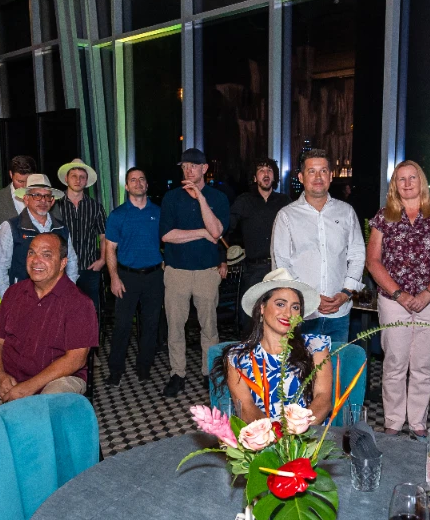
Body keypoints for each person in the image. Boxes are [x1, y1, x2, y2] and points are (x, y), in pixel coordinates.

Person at [0, 233, 97, 417]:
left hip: (58, 379)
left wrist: (29, 387)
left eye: (46, 254)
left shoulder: (79, 303)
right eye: (31, 253)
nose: (36, 260)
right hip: (10, 375)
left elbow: (75, 359)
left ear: (63, 263)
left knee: (44, 406)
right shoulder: (14, 293)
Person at [367, 160, 430, 438]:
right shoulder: (384, 216)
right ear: (395, 184)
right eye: (401, 179)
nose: (407, 183)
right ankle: (393, 421)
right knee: (394, 362)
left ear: (422, 181)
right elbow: (373, 261)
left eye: (412, 178)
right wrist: (399, 294)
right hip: (393, 300)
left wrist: (428, 294)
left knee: (423, 364)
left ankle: (418, 422)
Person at [211, 268, 332, 424]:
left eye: (295, 307)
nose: (288, 314)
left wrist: (299, 429)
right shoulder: (238, 358)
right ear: (262, 307)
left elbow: (323, 399)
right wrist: (273, 433)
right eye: (280, 304)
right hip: (261, 434)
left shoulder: (315, 347)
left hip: (309, 433)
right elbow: (246, 408)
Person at [272, 149, 365, 344]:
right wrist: (310, 298)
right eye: (311, 171)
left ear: (330, 176)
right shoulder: (286, 216)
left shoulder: (346, 212)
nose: (318, 177)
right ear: (301, 177)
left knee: (335, 363)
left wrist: (346, 293)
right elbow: (281, 265)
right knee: (299, 363)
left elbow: (357, 255)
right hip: (301, 313)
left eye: (323, 171)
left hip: (339, 312)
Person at [159, 148, 230, 397]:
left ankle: (208, 373)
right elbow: (167, 235)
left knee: (209, 328)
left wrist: (200, 197)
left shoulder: (218, 198)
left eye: (193, 165)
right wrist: (201, 233)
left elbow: (216, 231)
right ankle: (177, 374)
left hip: (207, 273)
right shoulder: (171, 198)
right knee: (175, 327)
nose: (188, 170)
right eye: (184, 166)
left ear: (204, 168)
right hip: (176, 272)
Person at [105, 167, 164, 385]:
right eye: (133, 180)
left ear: (146, 185)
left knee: (151, 325)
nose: (138, 183)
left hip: (154, 277)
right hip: (126, 277)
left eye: (141, 179)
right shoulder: (118, 215)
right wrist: (114, 277)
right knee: (122, 326)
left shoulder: (159, 212)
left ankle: (144, 367)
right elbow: (110, 249)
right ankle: (115, 370)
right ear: (127, 186)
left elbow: (168, 241)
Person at [0, 174, 79, 299]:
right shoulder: (11, 227)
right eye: (37, 195)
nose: (43, 200)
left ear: (52, 201)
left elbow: (71, 262)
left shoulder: (61, 228)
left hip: (56, 298)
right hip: (22, 298)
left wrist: (68, 292)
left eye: (47, 196)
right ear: (26, 199)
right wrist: (9, 300)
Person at [228, 157, 291, 332]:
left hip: (279, 268)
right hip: (253, 269)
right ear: (255, 177)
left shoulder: (285, 202)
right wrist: (223, 258)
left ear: (274, 176)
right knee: (249, 318)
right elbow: (226, 230)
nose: (266, 173)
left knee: (280, 316)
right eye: (261, 170)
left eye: (269, 170)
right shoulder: (244, 201)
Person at [52, 159, 107, 315]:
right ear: (66, 179)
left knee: (90, 311)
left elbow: (104, 236)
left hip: (89, 268)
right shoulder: (55, 205)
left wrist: (102, 260)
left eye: (82, 177)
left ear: (86, 181)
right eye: (74, 176)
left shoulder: (95, 207)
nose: (78, 180)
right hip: (61, 268)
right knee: (61, 311)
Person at [0, 155, 36, 237]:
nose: (24, 186)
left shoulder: (47, 197)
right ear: (11, 174)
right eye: (20, 181)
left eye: (28, 181)